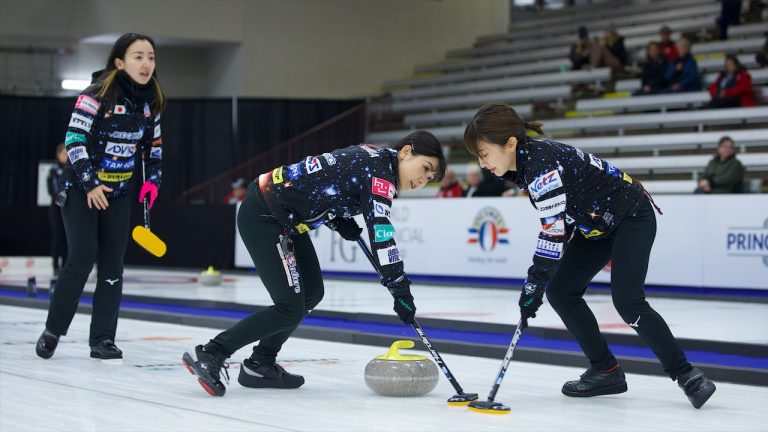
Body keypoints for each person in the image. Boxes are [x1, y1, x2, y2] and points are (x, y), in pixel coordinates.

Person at [463, 102, 716, 409]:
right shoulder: (526, 164)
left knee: (627, 300)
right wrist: (540, 283)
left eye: (484, 152)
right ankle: (606, 370)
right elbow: (563, 219)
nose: (481, 162)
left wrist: (533, 284)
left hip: (631, 215)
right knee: (561, 291)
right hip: (595, 226)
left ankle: (687, 375)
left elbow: (553, 232)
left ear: (511, 143)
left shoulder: (540, 165)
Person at [182, 131, 446, 397]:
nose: (423, 180)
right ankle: (211, 353)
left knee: (311, 293)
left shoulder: (374, 157)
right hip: (265, 215)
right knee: (289, 307)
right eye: (425, 168)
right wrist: (400, 289)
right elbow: (382, 236)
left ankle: (260, 363)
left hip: (285, 219)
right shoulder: (381, 176)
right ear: (406, 152)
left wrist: (339, 218)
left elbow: (323, 180)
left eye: (430, 178)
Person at [35, 33, 165, 360]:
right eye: (138, 56)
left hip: (119, 193)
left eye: (150, 56)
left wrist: (152, 183)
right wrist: (91, 184)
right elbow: (74, 141)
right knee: (81, 258)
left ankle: (103, 339)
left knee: (112, 266)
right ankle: (53, 330)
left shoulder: (152, 104)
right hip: (81, 189)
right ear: (119, 62)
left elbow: (153, 149)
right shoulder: (94, 95)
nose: (146, 63)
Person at [47, 143, 69, 276]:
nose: (66, 156)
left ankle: (66, 265)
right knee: (57, 237)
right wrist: (61, 196)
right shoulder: (54, 170)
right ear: (59, 154)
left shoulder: (71, 168)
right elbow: (52, 189)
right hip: (56, 208)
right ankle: (55, 266)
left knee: (68, 238)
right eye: (64, 154)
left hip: (68, 208)